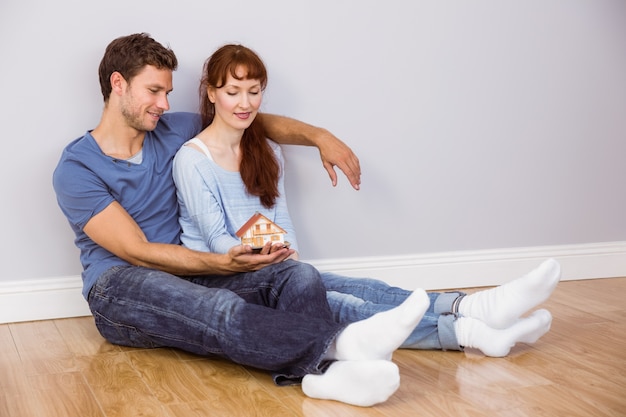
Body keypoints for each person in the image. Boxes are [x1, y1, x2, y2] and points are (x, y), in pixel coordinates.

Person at [52, 32, 439, 407]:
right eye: (154, 91)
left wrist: (320, 136)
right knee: (217, 308)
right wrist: (220, 264)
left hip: (187, 271)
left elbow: (251, 119)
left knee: (297, 275)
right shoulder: (77, 167)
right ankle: (342, 347)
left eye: (167, 92)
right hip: (119, 288)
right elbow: (137, 252)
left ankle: (327, 378)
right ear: (118, 84)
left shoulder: (171, 130)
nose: (164, 104)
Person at [172, 43, 559, 361]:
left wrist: (286, 252)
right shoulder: (193, 159)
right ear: (211, 93)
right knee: (337, 300)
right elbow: (216, 239)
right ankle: (467, 330)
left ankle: (471, 308)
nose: (245, 103)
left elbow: (280, 217)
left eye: (254, 92)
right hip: (223, 276)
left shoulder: (268, 150)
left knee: (357, 285)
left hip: (271, 266)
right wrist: (257, 257)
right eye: (232, 92)